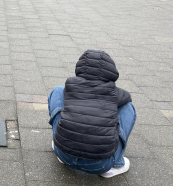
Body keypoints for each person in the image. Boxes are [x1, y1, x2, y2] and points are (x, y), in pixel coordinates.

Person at [48, 50, 136, 178]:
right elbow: (127, 97)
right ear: (111, 73)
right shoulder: (114, 92)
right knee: (128, 107)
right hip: (100, 164)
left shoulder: (71, 84)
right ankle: (116, 164)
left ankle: (59, 141)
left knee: (58, 90)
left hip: (63, 153)